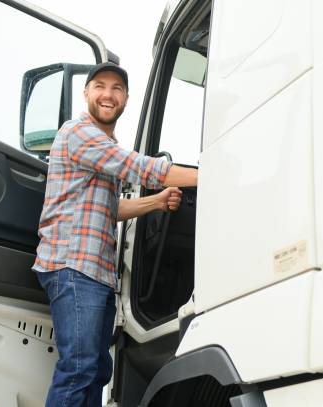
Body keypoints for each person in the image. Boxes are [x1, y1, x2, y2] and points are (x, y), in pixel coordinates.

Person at [32, 62, 198, 406]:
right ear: (87, 93)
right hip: (74, 267)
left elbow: (109, 209)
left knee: (95, 372)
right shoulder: (79, 132)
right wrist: (209, 173)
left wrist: (156, 201)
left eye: (117, 88)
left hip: (95, 273)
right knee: (79, 369)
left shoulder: (102, 146)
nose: (108, 94)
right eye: (100, 86)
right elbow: (142, 167)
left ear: (125, 98)